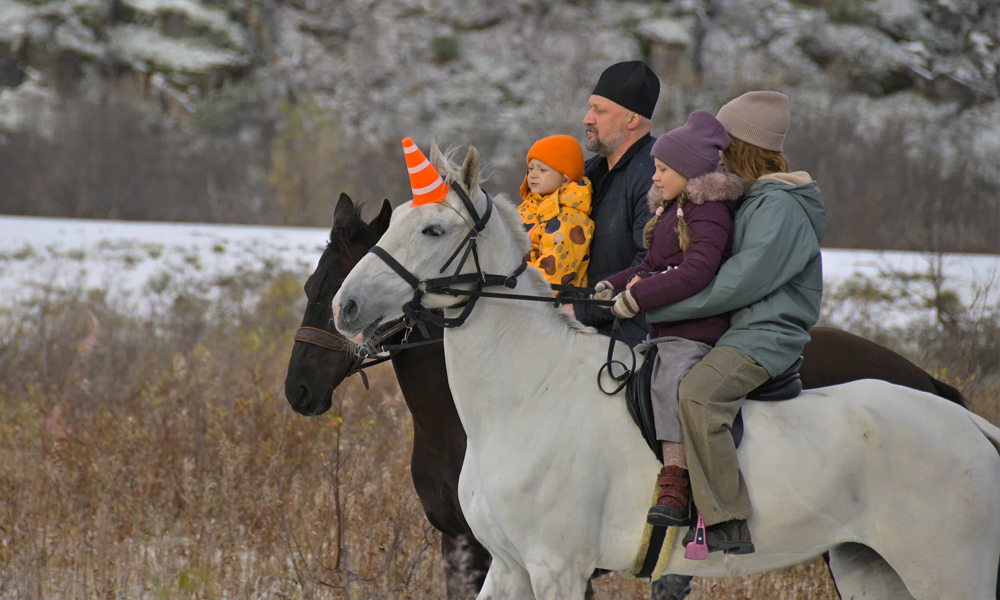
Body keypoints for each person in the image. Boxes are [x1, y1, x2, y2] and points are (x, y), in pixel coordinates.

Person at [643, 91, 827, 555]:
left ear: (742, 148)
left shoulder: (779, 207)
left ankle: (726, 520)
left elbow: (738, 285)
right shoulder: (748, 200)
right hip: (736, 327)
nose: (715, 156)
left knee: (699, 395)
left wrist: (655, 307)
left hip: (765, 332)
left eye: (724, 146)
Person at [594, 111, 748, 529]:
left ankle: (676, 478)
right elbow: (653, 265)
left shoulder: (709, 214)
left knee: (669, 381)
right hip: (666, 328)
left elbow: (696, 273)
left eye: (663, 170)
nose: (655, 177)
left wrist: (638, 297)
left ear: (690, 172)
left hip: (695, 332)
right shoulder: (672, 211)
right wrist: (613, 284)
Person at [571, 61, 659, 347]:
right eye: (590, 107)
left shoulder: (655, 176)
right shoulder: (587, 173)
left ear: (632, 119)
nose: (587, 118)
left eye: (600, 110)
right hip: (584, 328)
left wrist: (579, 309)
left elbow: (649, 265)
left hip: (628, 338)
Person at [517, 135, 595, 286]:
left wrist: (508, 277)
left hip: (547, 302)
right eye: (531, 168)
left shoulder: (570, 217)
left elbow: (553, 273)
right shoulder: (528, 207)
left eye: (542, 169)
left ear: (565, 179)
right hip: (515, 292)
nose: (532, 174)